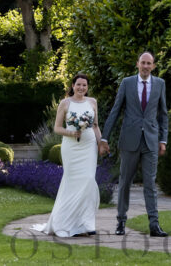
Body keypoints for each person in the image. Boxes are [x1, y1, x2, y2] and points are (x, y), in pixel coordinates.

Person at [100, 52, 169, 237]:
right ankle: (121, 222)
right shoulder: (127, 83)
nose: (146, 66)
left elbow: (163, 114)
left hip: (151, 142)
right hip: (129, 140)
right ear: (137, 64)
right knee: (124, 183)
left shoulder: (160, 84)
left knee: (150, 184)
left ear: (153, 66)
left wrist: (163, 140)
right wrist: (104, 138)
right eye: (143, 63)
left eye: (149, 63)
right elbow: (115, 111)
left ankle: (154, 225)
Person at [33, 73, 102, 238]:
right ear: (72, 85)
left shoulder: (92, 102)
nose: (81, 88)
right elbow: (57, 128)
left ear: (87, 87)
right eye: (78, 84)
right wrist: (72, 133)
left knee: (88, 180)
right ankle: (64, 222)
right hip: (72, 148)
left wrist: (101, 144)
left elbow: (95, 126)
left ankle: (87, 223)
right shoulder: (65, 103)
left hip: (88, 147)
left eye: (84, 85)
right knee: (71, 183)